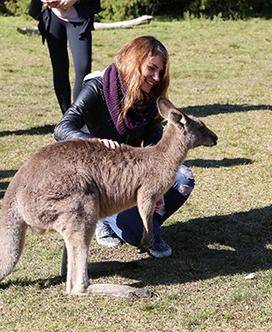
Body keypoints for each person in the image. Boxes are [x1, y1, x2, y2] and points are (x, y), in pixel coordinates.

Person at [54, 36, 194, 258]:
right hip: (101, 175)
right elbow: (62, 128)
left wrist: (158, 178)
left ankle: (145, 221)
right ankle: (107, 219)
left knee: (183, 179)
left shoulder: (149, 94)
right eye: (152, 68)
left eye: (161, 71)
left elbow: (153, 133)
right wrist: (95, 143)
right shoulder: (98, 86)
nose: (157, 77)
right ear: (134, 61)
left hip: (133, 169)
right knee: (137, 233)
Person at [29, 0, 101, 114]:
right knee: (59, 67)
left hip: (79, 18)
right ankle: (66, 116)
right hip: (52, 16)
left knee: (83, 67)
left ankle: (77, 116)